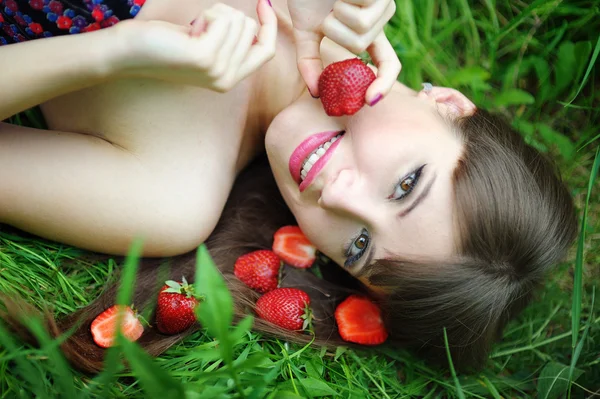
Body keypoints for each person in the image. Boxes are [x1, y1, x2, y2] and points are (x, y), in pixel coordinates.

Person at [0, 0, 577, 372]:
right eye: (405, 184)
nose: (339, 196)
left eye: (358, 247)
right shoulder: (334, 8)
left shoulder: (170, 197)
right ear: (447, 105)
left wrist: (113, 52)